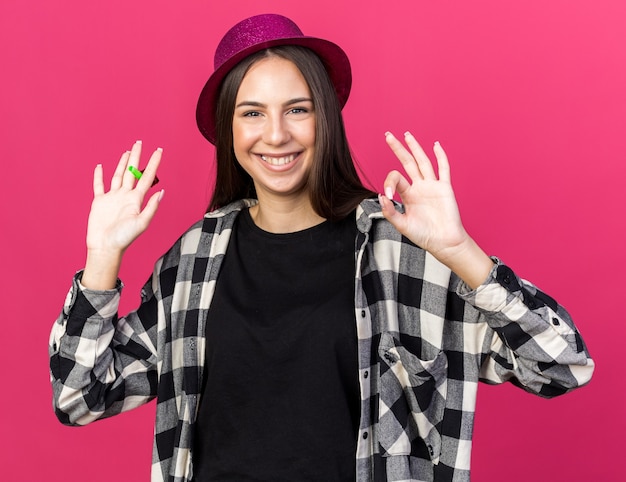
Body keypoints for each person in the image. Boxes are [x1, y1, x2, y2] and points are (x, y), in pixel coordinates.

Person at [49, 13, 594, 482]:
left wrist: (460, 250)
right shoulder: (194, 258)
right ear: (229, 130)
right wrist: (102, 259)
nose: (277, 134)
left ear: (325, 118)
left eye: (298, 109)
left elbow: (561, 365)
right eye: (252, 112)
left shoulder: (396, 249)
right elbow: (80, 399)